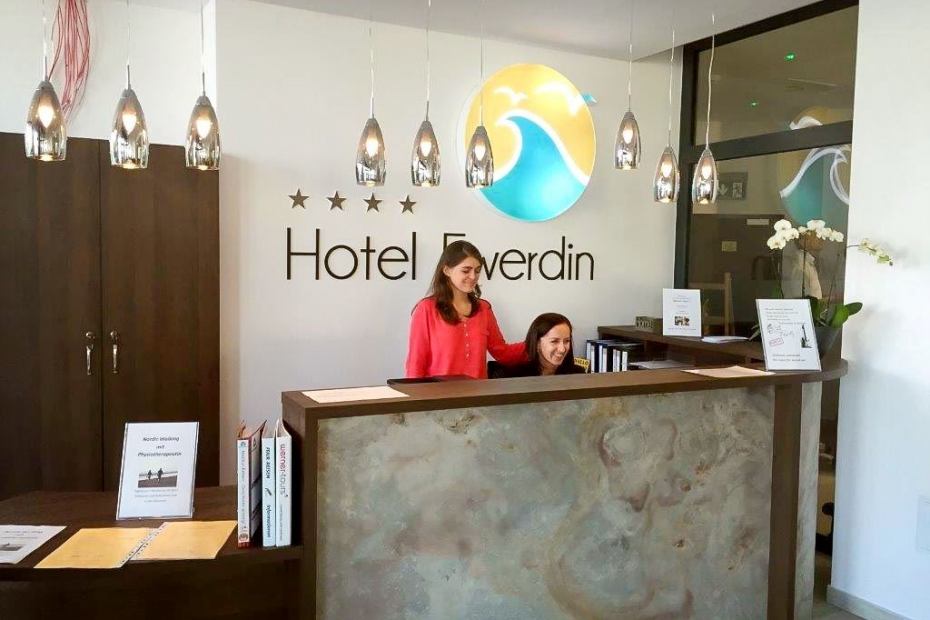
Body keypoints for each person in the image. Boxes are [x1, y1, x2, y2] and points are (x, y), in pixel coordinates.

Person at [406, 241, 526, 379]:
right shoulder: (426, 309)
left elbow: (502, 352)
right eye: (466, 270)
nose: (473, 276)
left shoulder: (484, 309)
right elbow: (416, 364)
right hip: (437, 392)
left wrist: (537, 341)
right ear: (447, 270)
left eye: (477, 270)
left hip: (478, 392)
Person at [496, 313, 586, 378]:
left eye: (567, 341)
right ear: (537, 343)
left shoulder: (578, 374)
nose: (562, 349)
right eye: (554, 341)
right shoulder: (513, 377)